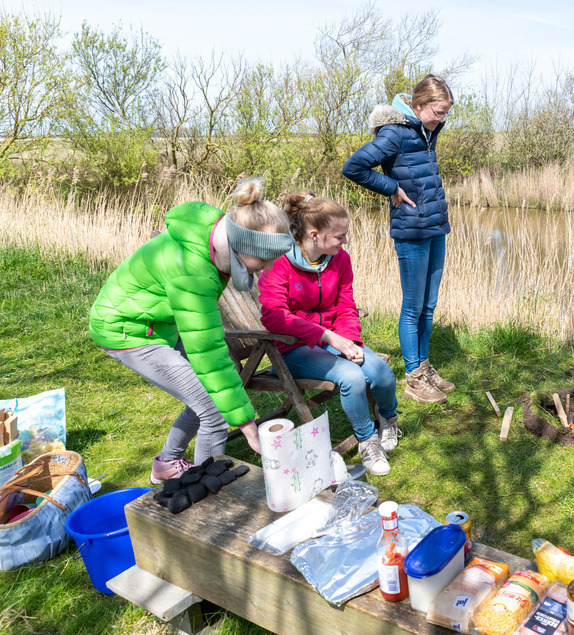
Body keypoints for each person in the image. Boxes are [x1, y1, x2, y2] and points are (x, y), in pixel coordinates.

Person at [89, 178, 294, 482]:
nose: (264, 268)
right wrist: (248, 427)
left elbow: (209, 351)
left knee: (206, 392)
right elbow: (208, 354)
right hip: (127, 330)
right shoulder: (194, 271)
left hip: (157, 323)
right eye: (262, 260)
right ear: (241, 245)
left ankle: (167, 464)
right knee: (213, 410)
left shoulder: (215, 235)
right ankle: (203, 494)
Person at [258, 193, 399, 477]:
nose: (344, 242)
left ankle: (388, 417)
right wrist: (326, 335)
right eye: (339, 236)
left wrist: (351, 341)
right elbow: (274, 316)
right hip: (292, 349)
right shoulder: (279, 262)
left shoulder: (339, 259)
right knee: (352, 377)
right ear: (314, 235)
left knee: (382, 373)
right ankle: (367, 440)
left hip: (336, 339)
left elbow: (346, 305)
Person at [342, 74, 454, 404]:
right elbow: (354, 166)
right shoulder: (396, 133)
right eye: (437, 111)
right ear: (418, 106)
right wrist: (391, 188)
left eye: (446, 113)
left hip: (435, 228)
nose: (441, 119)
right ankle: (413, 378)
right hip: (411, 231)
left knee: (429, 306)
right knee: (413, 306)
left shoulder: (424, 131)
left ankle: (424, 367)